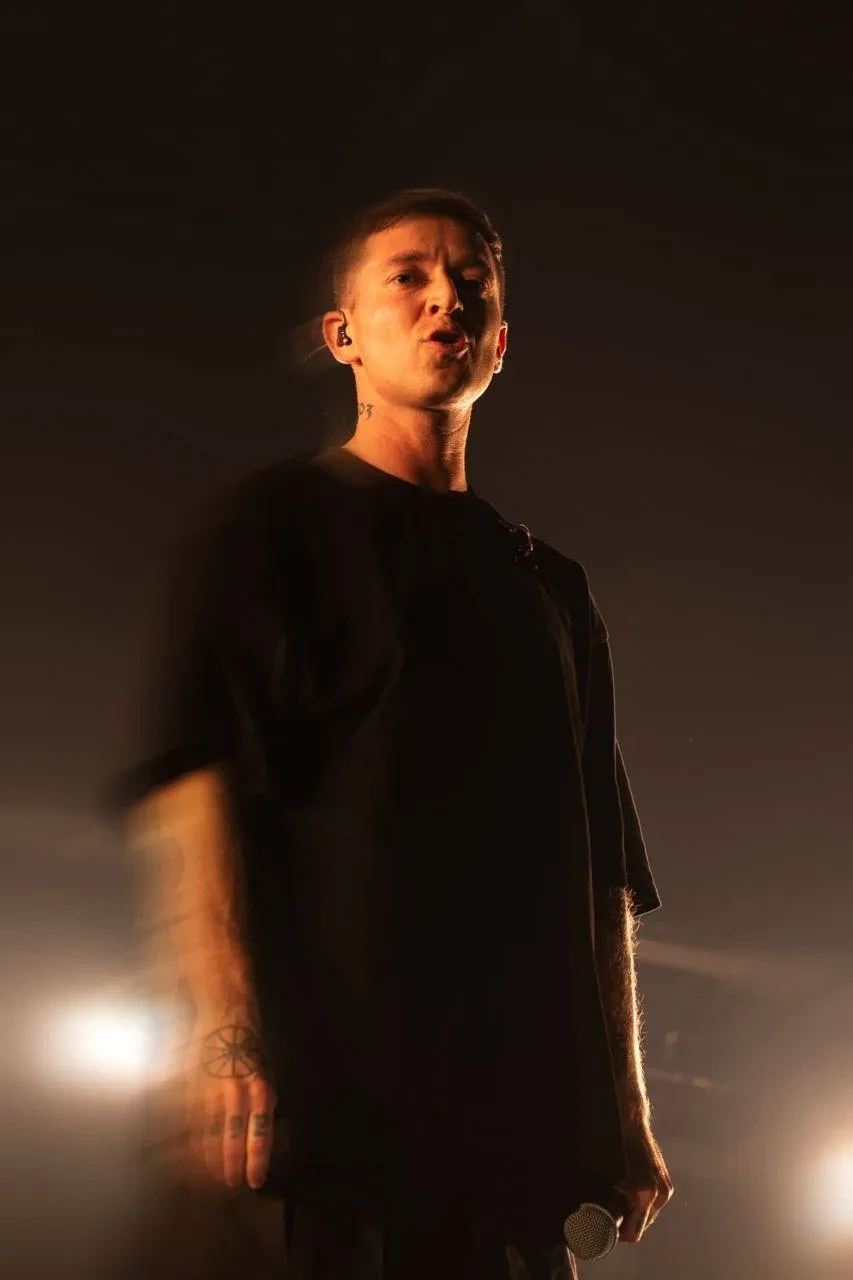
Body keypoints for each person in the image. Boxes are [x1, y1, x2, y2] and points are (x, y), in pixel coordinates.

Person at [119, 188, 673, 1280]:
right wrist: (225, 1036)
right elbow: (196, 789)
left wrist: (625, 1109)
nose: (443, 300)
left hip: (513, 1143)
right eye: (408, 277)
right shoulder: (269, 528)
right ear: (343, 335)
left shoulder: (551, 587)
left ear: (499, 342)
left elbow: (603, 869)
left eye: (470, 283)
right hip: (330, 1124)